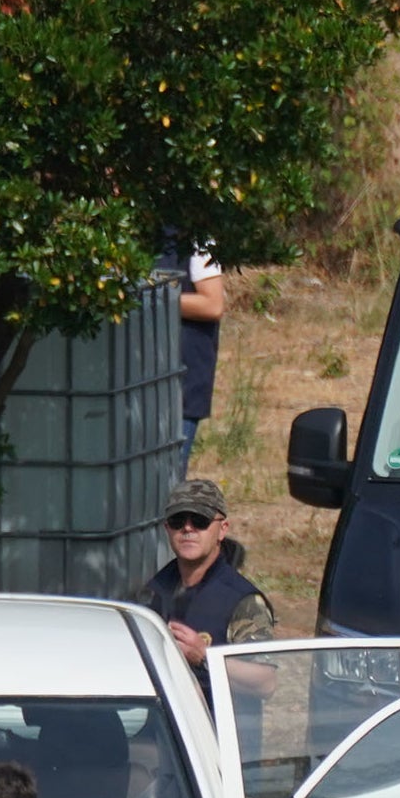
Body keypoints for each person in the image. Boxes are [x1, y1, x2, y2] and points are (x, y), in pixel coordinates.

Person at [136, 476, 274, 698]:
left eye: (200, 521)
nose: (188, 528)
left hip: (217, 728)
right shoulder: (153, 591)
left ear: (222, 529)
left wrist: (204, 656)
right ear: (167, 528)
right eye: (178, 521)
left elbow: (265, 683)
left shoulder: (242, 600)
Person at [176, 242, 225, 461]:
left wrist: (144, 298)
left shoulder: (197, 240)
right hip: (129, 382)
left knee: (169, 479)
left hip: (183, 382)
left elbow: (212, 304)